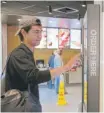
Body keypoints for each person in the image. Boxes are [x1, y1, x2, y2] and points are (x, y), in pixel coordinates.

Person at [5, 17, 80, 112]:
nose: (40, 36)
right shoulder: (19, 54)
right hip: (21, 107)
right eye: (36, 32)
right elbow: (34, 76)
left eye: (41, 32)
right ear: (24, 33)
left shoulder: (27, 53)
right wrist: (66, 67)